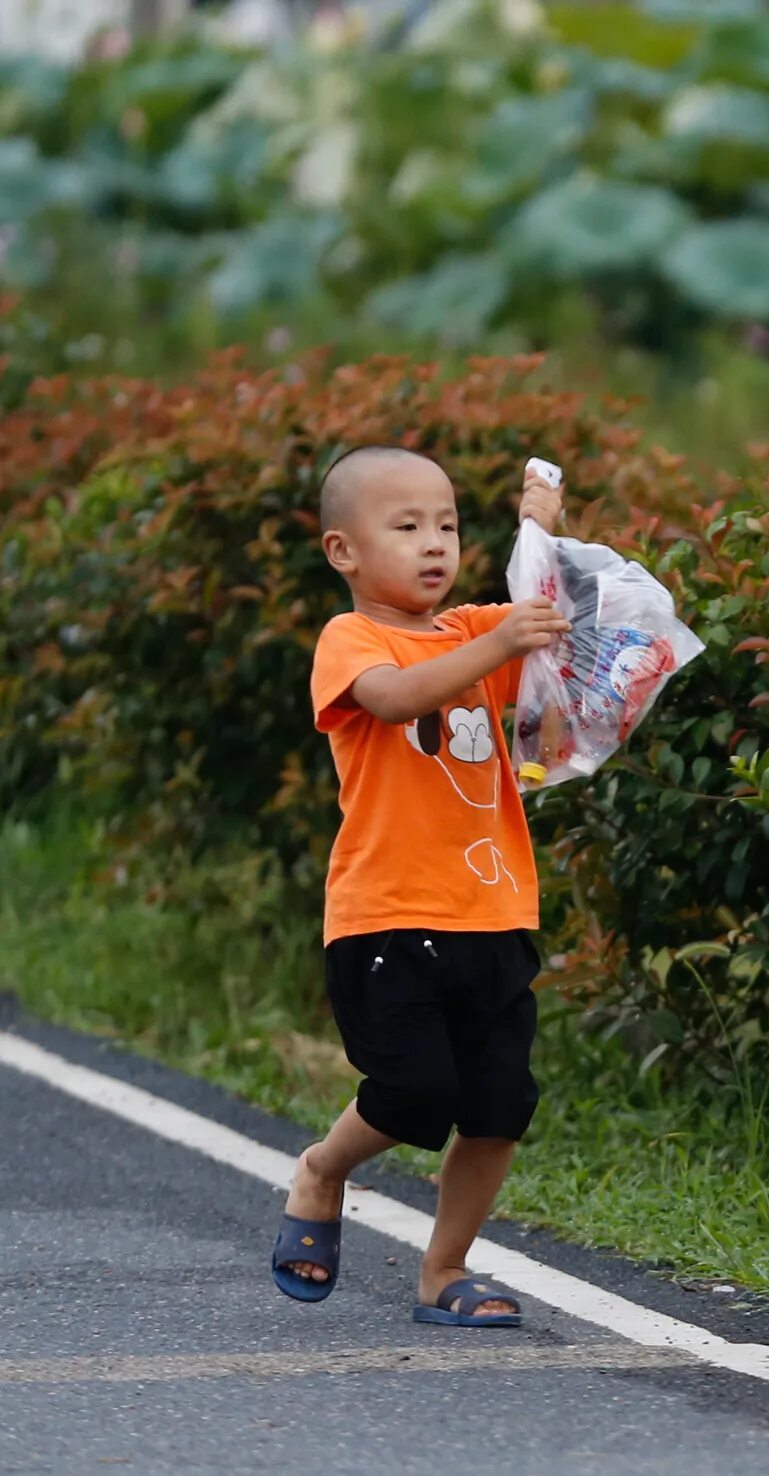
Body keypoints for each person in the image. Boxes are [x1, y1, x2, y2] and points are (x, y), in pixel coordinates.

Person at [270, 446, 570, 1326]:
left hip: (495, 910)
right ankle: (324, 1169)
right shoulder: (351, 641)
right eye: (406, 528)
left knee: (499, 1101)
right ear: (344, 553)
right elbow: (398, 698)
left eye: (446, 525)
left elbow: (543, 636)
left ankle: (445, 1272)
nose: (435, 544)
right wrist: (498, 642)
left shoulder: (479, 626)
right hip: (386, 922)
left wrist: (539, 528)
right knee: (414, 1094)